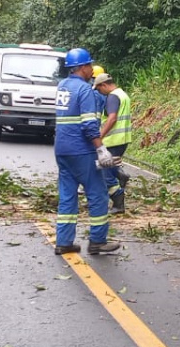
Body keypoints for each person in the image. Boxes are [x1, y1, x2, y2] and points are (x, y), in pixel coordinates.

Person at [53, 48, 120, 255]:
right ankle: (98, 241)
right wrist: (101, 149)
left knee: (67, 195)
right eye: (89, 65)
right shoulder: (84, 91)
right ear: (82, 67)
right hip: (81, 151)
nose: (92, 69)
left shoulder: (62, 86)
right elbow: (89, 125)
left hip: (62, 150)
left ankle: (64, 242)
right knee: (98, 194)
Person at [93, 72, 132, 214]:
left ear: (104, 85)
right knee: (110, 166)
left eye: (98, 89)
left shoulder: (112, 97)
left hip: (112, 140)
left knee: (105, 173)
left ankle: (118, 201)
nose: (99, 92)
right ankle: (121, 175)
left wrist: (100, 136)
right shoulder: (123, 94)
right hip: (122, 139)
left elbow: (112, 118)